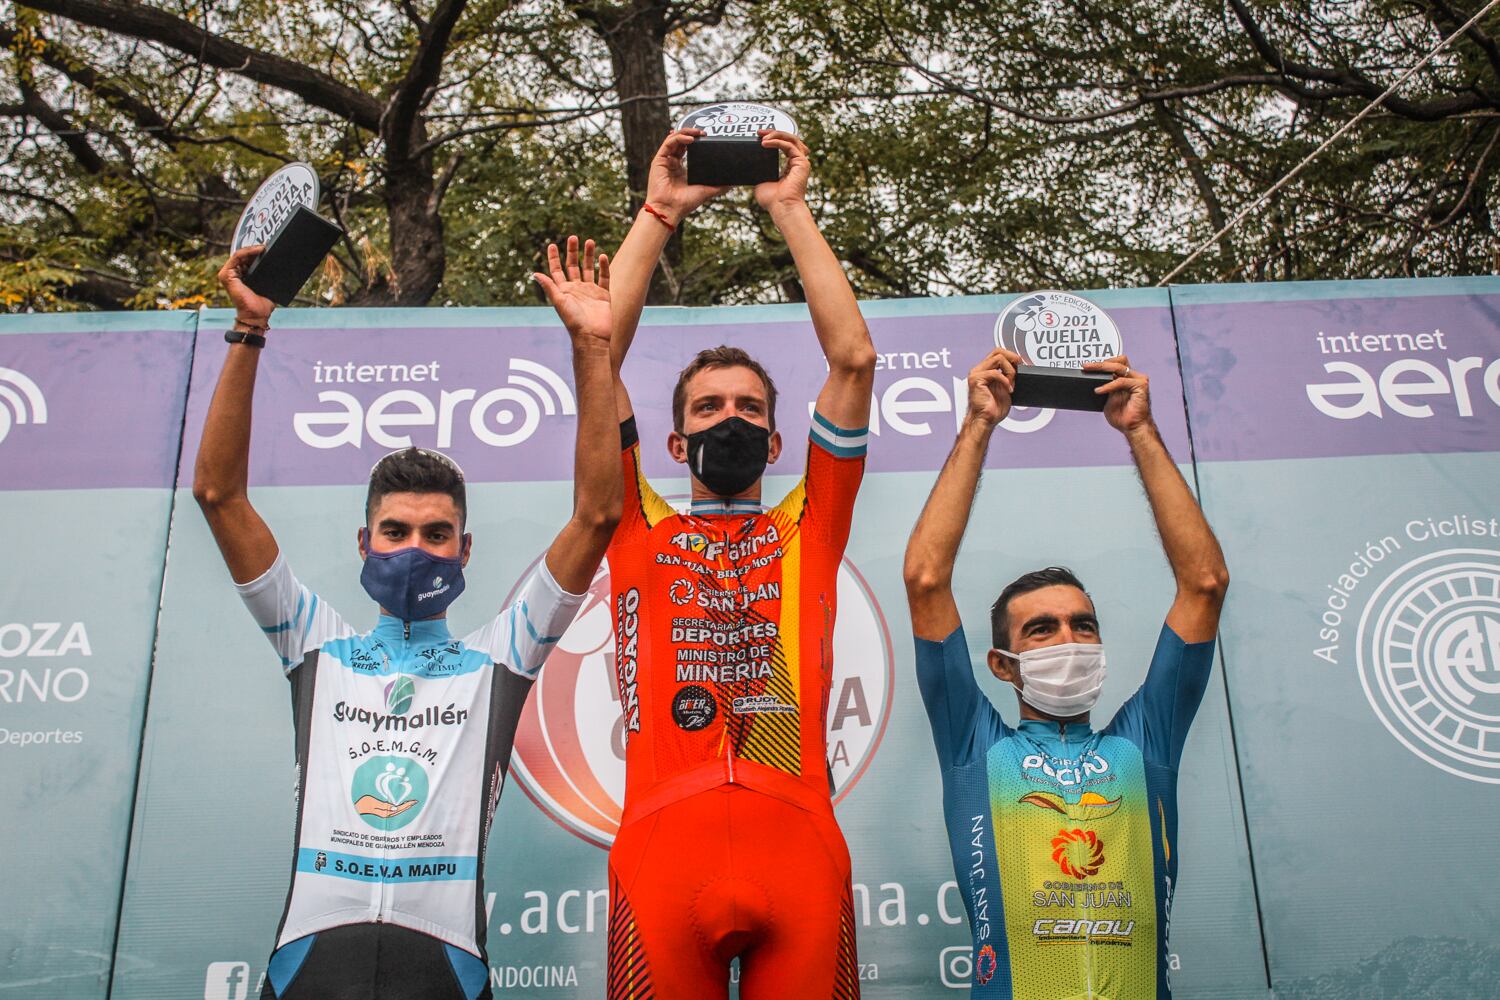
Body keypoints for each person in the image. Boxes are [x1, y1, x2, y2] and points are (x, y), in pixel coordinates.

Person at [193, 236, 620, 1000]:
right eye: (396, 532)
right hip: (308, 969)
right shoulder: (314, 643)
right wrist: (249, 329)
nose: (415, 549)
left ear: (464, 550)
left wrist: (592, 348)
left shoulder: (503, 657)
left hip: (445, 970)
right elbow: (219, 497)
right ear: (365, 542)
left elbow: (597, 515)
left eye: (435, 534)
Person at [599, 127, 876, 999]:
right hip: (660, 849)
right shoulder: (635, 523)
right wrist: (657, 214)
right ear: (675, 439)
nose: (732, 419)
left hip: (796, 842)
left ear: (776, 436)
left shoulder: (810, 524)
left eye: (749, 407)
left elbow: (854, 359)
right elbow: (595, 350)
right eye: (710, 406)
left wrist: (788, 208)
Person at [902, 348, 1229, 998]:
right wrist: (978, 426)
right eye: (1042, 629)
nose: (1069, 639)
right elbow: (926, 579)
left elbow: (1205, 583)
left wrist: (1140, 430)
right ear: (1002, 663)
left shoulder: (1144, 744)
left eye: (1083, 624)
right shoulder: (977, 748)